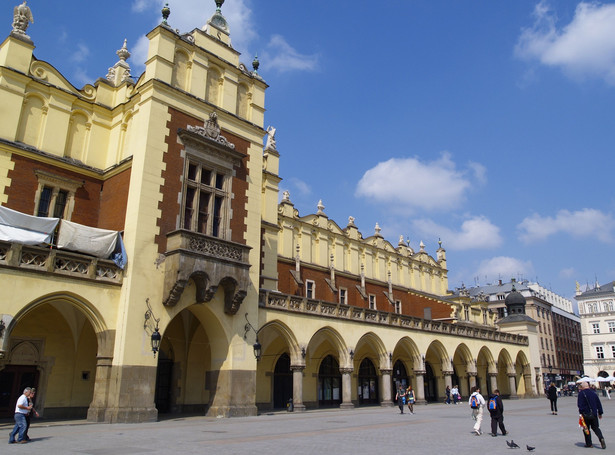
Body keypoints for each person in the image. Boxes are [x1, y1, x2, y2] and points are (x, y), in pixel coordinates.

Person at [578, 381, 606, 449]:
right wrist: (600, 413)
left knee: (586, 429)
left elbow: (580, 405)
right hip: (593, 414)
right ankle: (601, 438)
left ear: (582, 387)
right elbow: (598, 403)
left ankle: (589, 444)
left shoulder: (581, 394)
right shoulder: (593, 393)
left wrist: (581, 413)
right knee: (596, 428)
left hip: (585, 414)